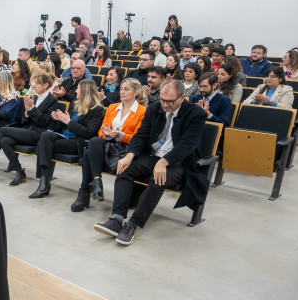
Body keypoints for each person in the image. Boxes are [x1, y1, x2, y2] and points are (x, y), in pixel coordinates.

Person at [94, 79, 208, 246]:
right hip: (153, 156)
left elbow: (187, 145)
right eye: (162, 99)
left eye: (170, 101)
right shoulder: (155, 108)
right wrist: (130, 154)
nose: (165, 105)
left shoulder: (196, 114)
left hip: (178, 162)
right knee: (126, 169)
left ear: (182, 97)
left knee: (158, 179)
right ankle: (117, 219)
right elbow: (142, 135)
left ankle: (133, 225)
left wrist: (164, 162)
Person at [71, 78, 147, 212]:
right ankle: (97, 182)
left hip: (126, 149)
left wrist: (121, 135)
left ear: (135, 92)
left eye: (126, 89)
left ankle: (85, 193)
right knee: (95, 141)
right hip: (108, 145)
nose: (122, 92)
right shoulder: (113, 107)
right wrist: (106, 134)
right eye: (121, 89)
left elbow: (138, 138)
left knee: (89, 152)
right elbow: (101, 130)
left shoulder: (142, 111)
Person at [0, 73, 58, 185]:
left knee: (3, 130)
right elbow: (24, 121)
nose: (34, 85)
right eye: (34, 83)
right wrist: (27, 113)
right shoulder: (34, 98)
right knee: (4, 141)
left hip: (40, 133)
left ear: (46, 85)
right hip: (28, 130)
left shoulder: (52, 100)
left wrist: (32, 109)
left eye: (38, 83)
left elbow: (44, 122)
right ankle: (19, 171)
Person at [30, 79, 105, 199]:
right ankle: (44, 180)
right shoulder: (75, 103)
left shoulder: (97, 109)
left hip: (76, 142)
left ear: (85, 91)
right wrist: (58, 119)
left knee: (42, 146)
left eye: (78, 88)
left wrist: (68, 122)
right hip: (64, 136)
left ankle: (43, 184)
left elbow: (89, 133)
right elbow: (64, 126)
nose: (75, 91)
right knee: (45, 136)